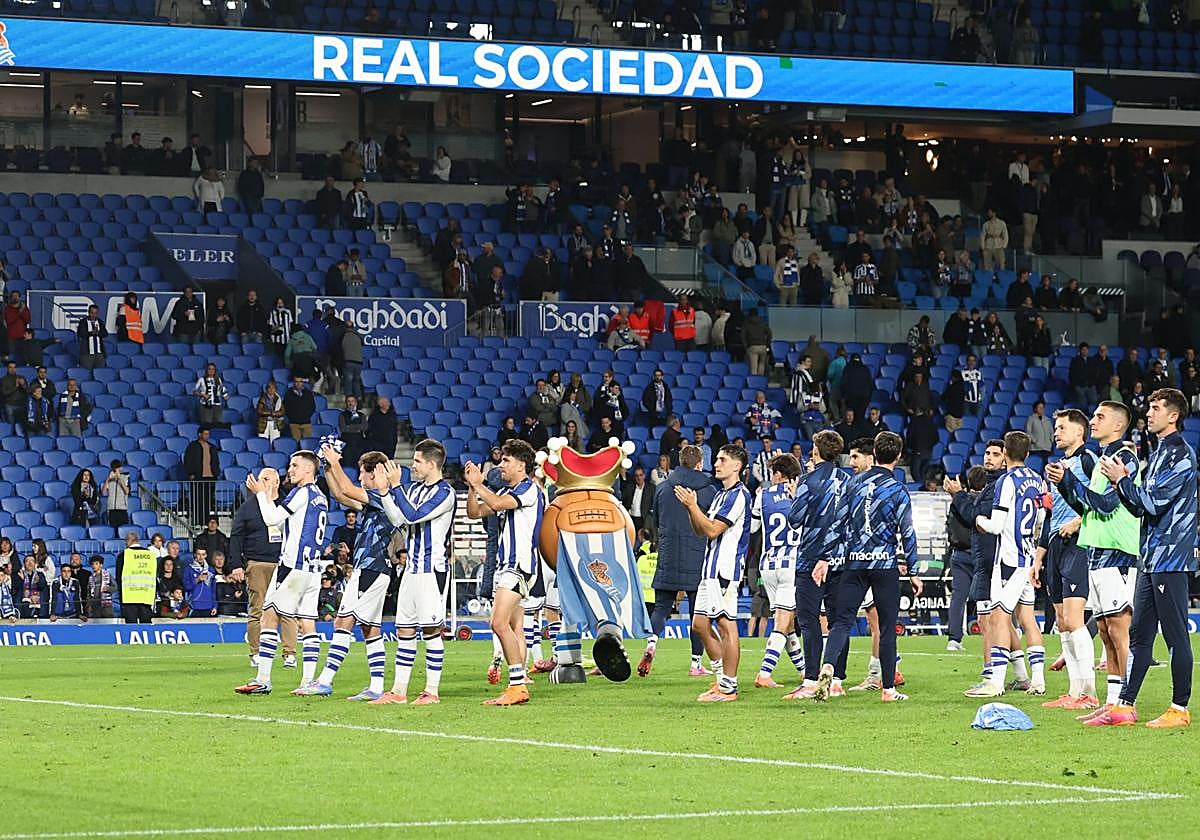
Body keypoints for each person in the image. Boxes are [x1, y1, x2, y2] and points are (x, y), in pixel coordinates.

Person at [1088, 388, 1196, 727]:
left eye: (1156, 408)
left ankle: (1179, 708)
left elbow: (1152, 503)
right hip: (1151, 557)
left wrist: (1121, 481)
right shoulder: (1160, 452)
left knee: (1175, 634)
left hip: (1171, 557)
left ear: (1174, 415)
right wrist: (1123, 485)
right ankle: (1125, 706)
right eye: (1149, 407)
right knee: (1140, 635)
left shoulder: (1180, 454)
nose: (1149, 413)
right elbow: (1137, 506)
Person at [815, 432, 921, 702]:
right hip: (884, 564)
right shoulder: (898, 490)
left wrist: (826, 557)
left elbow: (837, 524)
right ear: (898, 456)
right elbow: (907, 531)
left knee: (841, 622)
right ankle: (888, 690)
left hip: (854, 562)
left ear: (874, 451)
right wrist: (914, 570)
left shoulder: (853, 484)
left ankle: (828, 668)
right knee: (886, 627)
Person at [1049, 401, 1139, 717]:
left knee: (1118, 629)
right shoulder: (1103, 460)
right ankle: (1111, 703)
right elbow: (1086, 507)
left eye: (1100, 417)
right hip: (1098, 551)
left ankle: (1126, 703)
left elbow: (1105, 505)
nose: (1094, 421)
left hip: (1118, 551)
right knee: (1103, 629)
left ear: (1117, 425)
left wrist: (1070, 481)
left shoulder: (1124, 458)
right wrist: (1064, 484)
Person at [298, 449, 399, 701]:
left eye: (362, 472)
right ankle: (376, 687)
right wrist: (327, 468)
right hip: (376, 569)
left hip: (370, 569)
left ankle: (324, 681)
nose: (359, 478)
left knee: (343, 622)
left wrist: (335, 462)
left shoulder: (381, 495)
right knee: (370, 629)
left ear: (373, 472)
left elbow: (346, 486)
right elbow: (340, 493)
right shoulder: (377, 499)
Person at [236, 451, 330, 695]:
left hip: (293, 565)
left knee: (268, 616)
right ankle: (309, 682)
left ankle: (263, 678)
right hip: (313, 568)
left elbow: (271, 519)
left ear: (309, 470)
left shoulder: (301, 492)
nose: (290, 470)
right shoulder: (320, 496)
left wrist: (260, 495)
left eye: (295, 465)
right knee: (308, 623)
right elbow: (286, 524)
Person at [967, 431, 1047, 698]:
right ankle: (1037, 680)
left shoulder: (1007, 481)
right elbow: (1040, 520)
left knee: (999, 618)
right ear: (1026, 453)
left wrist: (979, 520)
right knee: (1027, 619)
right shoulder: (1037, 480)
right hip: (1028, 555)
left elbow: (996, 525)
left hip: (1010, 561)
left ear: (1007, 454)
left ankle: (996, 682)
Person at [464, 440, 544, 706]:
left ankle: (518, 685)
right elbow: (475, 513)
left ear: (521, 465)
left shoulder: (529, 489)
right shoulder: (508, 491)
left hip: (518, 566)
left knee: (498, 623)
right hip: (505, 566)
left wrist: (479, 485)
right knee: (513, 626)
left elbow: (496, 504)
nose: (500, 465)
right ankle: (519, 683)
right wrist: (470, 487)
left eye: (506, 461)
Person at [675, 444, 752, 702]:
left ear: (736, 466)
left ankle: (729, 687)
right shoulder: (721, 495)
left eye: (722, 459)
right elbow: (700, 530)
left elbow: (711, 530)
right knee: (699, 625)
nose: (716, 464)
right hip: (709, 569)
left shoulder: (739, 495)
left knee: (726, 625)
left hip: (724, 570)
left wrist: (693, 507)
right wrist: (690, 508)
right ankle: (721, 680)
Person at [1034, 409, 1097, 709]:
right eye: (1055, 428)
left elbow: (1102, 504)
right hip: (1055, 546)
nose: (1056, 432)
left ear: (1079, 432)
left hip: (1078, 543)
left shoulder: (1089, 461)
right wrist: (1039, 556)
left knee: (1074, 619)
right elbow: (1049, 516)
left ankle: (1090, 692)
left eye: (1061, 428)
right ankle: (1074, 692)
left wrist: (1080, 522)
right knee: (1061, 621)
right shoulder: (1057, 467)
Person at [748, 453, 808, 688]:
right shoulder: (802, 493)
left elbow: (753, 527)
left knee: (787, 623)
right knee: (783, 621)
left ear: (778, 474)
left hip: (768, 564)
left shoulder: (762, 495)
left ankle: (804, 670)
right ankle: (764, 673)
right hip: (792, 563)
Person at [229, 467, 296, 668]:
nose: (262, 482)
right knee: (257, 608)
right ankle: (255, 653)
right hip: (257, 562)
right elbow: (236, 535)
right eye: (260, 479)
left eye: (267, 479)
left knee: (287, 609)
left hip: (284, 562)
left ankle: (290, 653)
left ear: (276, 482)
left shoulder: (288, 503)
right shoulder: (249, 507)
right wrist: (236, 565)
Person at [117, 533, 156, 624]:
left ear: (129, 540)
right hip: (146, 596)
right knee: (146, 626)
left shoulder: (124, 555)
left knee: (131, 627)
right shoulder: (151, 555)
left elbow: (119, 578)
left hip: (129, 597)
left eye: (126, 541)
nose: (125, 544)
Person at [184, 548, 218, 618]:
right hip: (195, 606)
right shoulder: (188, 569)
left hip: (208, 606)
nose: (201, 557)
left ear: (206, 555)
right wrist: (197, 580)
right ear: (195, 555)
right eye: (198, 554)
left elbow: (213, 590)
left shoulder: (210, 570)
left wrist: (215, 606)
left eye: (203, 554)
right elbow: (186, 587)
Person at [76, 304, 107, 370]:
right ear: (88, 312)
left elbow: (105, 334)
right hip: (87, 354)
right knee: (86, 373)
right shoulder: (83, 322)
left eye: (96, 313)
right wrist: (91, 333)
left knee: (100, 372)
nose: (94, 315)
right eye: (92, 313)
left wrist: (98, 333)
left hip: (99, 353)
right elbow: (80, 334)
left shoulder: (100, 322)